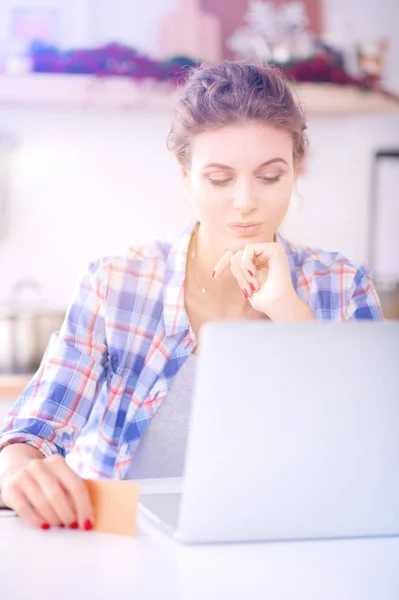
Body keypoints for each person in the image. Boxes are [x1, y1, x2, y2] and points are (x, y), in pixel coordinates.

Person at [0, 61, 383, 532]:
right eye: (220, 179)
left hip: (286, 546)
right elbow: (32, 433)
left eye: (270, 176)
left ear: (296, 167)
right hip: (126, 549)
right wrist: (16, 469)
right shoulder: (117, 283)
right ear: (185, 174)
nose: (245, 202)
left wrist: (291, 315)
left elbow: (373, 453)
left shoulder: (342, 286)